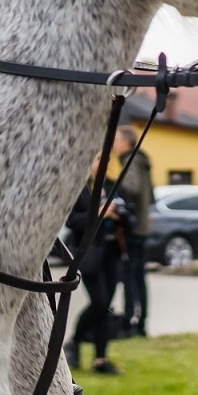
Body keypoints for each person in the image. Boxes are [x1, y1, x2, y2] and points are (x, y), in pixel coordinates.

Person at [64, 168, 126, 376]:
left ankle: (100, 359)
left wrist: (120, 215)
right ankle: (74, 341)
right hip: (89, 253)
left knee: (104, 306)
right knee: (99, 302)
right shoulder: (78, 187)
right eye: (99, 158)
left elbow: (129, 213)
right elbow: (73, 222)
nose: (103, 163)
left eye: (106, 159)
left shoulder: (110, 185)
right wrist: (99, 212)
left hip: (112, 252)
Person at [113, 127, 154, 336]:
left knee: (130, 276)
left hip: (133, 228)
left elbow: (132, 187)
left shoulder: (132, 161)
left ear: (127, 142)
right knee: (138, 276)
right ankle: (141, 322)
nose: (114, 143)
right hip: (141, 226)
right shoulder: (142, 161)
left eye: (117, 139)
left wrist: (113, 189)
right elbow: (151, 194)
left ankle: (131, 323)